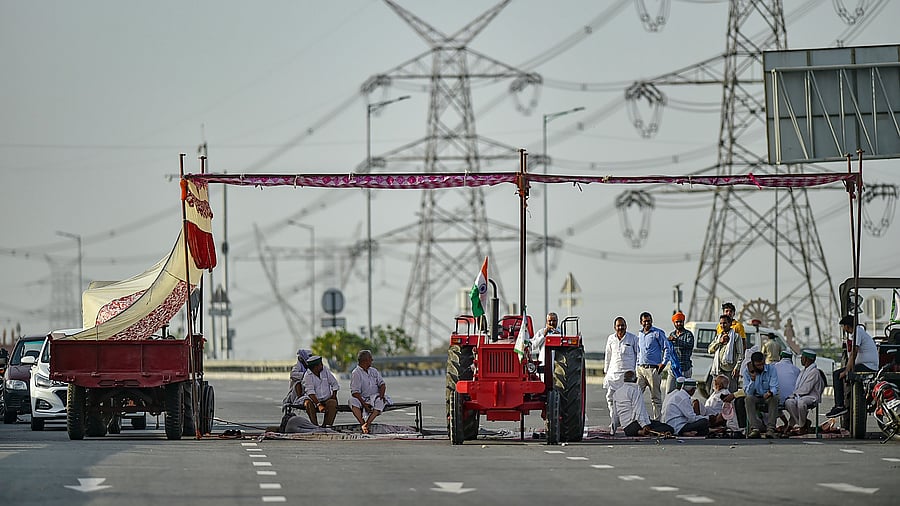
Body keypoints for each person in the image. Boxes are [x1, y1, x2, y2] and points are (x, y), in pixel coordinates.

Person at [826, 315, 879, 418]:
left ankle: (840, 406)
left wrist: (846, 371)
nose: (843, 328)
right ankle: (840, 405)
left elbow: (854, 352)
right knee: (837, 373)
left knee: (837, 375)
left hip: (868, 366)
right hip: (864, 364)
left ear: (846, 326)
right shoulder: (857, 332)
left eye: (843, 326)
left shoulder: (858, 332)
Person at [613, 370, 675, 437]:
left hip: (627, 429)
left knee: (651, 425)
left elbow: (615, 414)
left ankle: (640, 432)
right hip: (636, 424)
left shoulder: (617, 392)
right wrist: (644, 425)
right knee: (669, 428)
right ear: (636, 379)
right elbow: (638, 409)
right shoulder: (635, 389)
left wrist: (612, 430)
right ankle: (647, 432)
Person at [603, 316, 638, 432]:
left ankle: (629, 422)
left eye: (622, 325)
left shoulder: (632, 338)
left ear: (626, 326)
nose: (620, 328)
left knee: (628, 400)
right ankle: (614, 421)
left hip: (627, 376)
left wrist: (636, 371)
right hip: (613, 375)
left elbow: (638, 355)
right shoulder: (611, 339)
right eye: (618, 325)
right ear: (614, 327)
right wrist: (606, 372)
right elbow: (608, 356)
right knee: (610, 398)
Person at [348, 349, 392, 434]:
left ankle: (367, 424)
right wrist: (364, 404)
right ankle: (362, 423)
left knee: (380, 401)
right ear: (365, 360)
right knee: (352, 401)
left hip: (375, 397)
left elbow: (382, 384)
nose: (372, 360)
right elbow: (355, 392)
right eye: (370, 359)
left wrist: (381, 395)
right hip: (362, 398)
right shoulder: (356, 373)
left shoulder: (373, 371)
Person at [783, 350, 826, 435]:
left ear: (807, 359)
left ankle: (801, 426)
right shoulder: (803, 371)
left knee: (801, 403)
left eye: (802, 357)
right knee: (789, 402)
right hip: (800, 395)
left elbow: (806, 389)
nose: (801, 359)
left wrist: (794, 394)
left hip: (812, 396)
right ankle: (804, 423)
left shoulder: (814, 372)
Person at [636, 312, 669, 420]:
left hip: (653, 369)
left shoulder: (657, 333)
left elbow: (667, 348)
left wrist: (663, 363)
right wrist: (637, 364)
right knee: (636, 395)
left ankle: (658, 420)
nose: (647, 323)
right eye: (645, 321)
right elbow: (639, 351)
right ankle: (638, 419)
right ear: (641, 322)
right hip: (641, 369)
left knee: (655, 397)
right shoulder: (640, 334)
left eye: (649, 321)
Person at [743, 351, 780, 439]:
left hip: (767, 396)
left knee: (774, 398)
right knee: (748, 399)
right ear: (753, 364)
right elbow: (748, 392)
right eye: (758, 365)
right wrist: (753, 380)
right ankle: (755, 429)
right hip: (755, 396)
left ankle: (770, 429)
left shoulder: (771, 369)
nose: (761, 367)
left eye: (762, 364)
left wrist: (770, 393)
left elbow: (775, 386)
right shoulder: (746, 372)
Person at [299, 355, 341, 427]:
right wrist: (318, 404)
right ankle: (314, 426)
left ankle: (327, 426)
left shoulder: (325, 370)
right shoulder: (307, 376)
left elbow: (334, 384)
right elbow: (310, 392)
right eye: (320, 365)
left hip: (326, 398)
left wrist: (334, 396)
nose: (322, 366)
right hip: (313, 399)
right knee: (308, 403)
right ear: (315, 367)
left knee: (333, 403)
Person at [709, 314, 744, 392]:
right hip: (718, 370)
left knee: (730, 393)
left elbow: (740, 354)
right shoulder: (718, 337)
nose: (722, 325)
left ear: (730, 324)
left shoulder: (736, 337)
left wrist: (737, 368)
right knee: (716, 393)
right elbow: (710, 350)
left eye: (725, 323)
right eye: (721, 323)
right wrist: (719, 342)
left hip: (730, 371)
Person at [667, 311, 694, 393]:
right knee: (669, 392)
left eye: (680, 322)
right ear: (674, 323)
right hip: (674, 369)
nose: (679, 324)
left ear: (683, 322)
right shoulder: (672, 334)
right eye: (677, 322)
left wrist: (677, 340)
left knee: (685, 393)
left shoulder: (688, 334)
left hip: (685, 368)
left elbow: (689, 345)